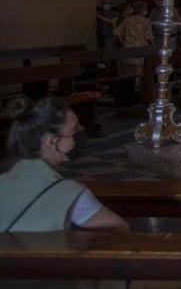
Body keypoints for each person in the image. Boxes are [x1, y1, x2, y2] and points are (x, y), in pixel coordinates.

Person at [0, 95, 129, 232]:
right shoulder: (69, 192)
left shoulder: (3, 181)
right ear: (52, 141)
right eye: (74, 129)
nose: (80, 133)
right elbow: (119, 229)